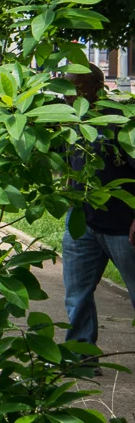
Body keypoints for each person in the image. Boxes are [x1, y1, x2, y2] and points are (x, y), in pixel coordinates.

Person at [61, 63, 135, 359]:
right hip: (82, 224)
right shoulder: (70, 121)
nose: (67, 95)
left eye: (74, 87)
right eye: (65, 88)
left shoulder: (120, 121)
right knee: (76, 298)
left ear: (96, 87)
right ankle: (80, 358)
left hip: (123, 227)